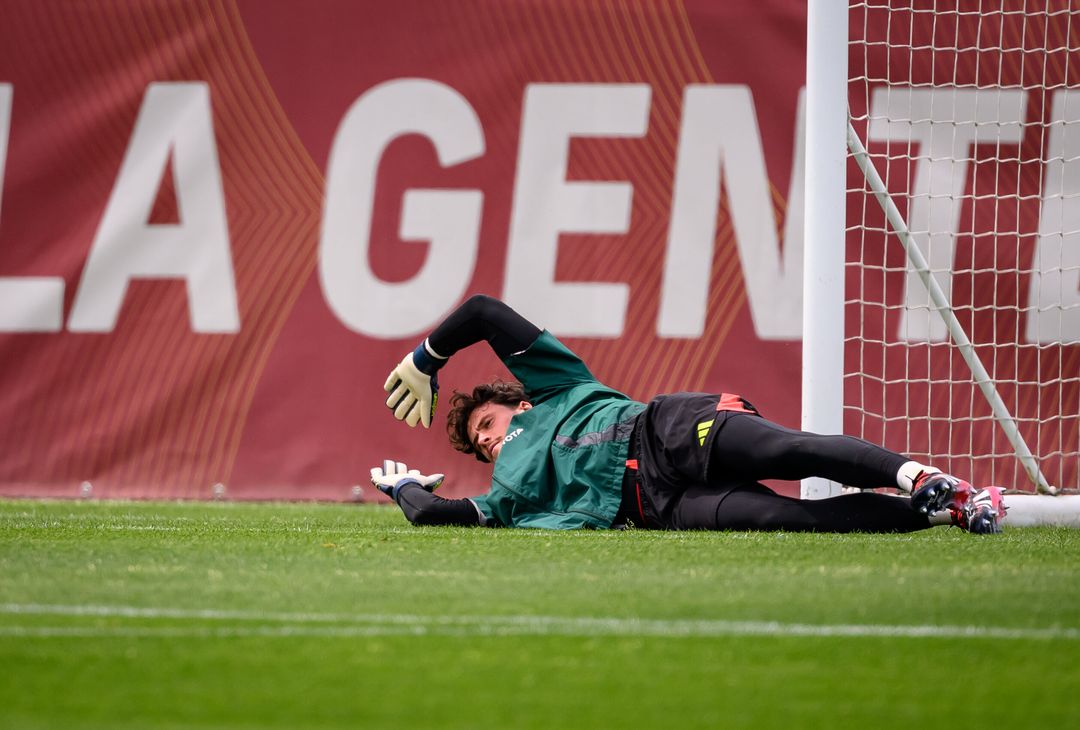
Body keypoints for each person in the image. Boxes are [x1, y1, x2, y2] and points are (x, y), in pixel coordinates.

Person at [372, 295, 1006, 534]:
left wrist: (428, 358)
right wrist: (403, 487)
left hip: (665, 433)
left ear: (522, 402)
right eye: (479, 447)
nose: (488, 444)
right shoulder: (509, 495)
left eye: (488, 425)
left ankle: (917, 477)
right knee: (781, 517)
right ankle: (948, 508)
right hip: (653, 508)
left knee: (786, 451)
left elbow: (482, 311)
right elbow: (434, 514)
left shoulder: (559, 385)